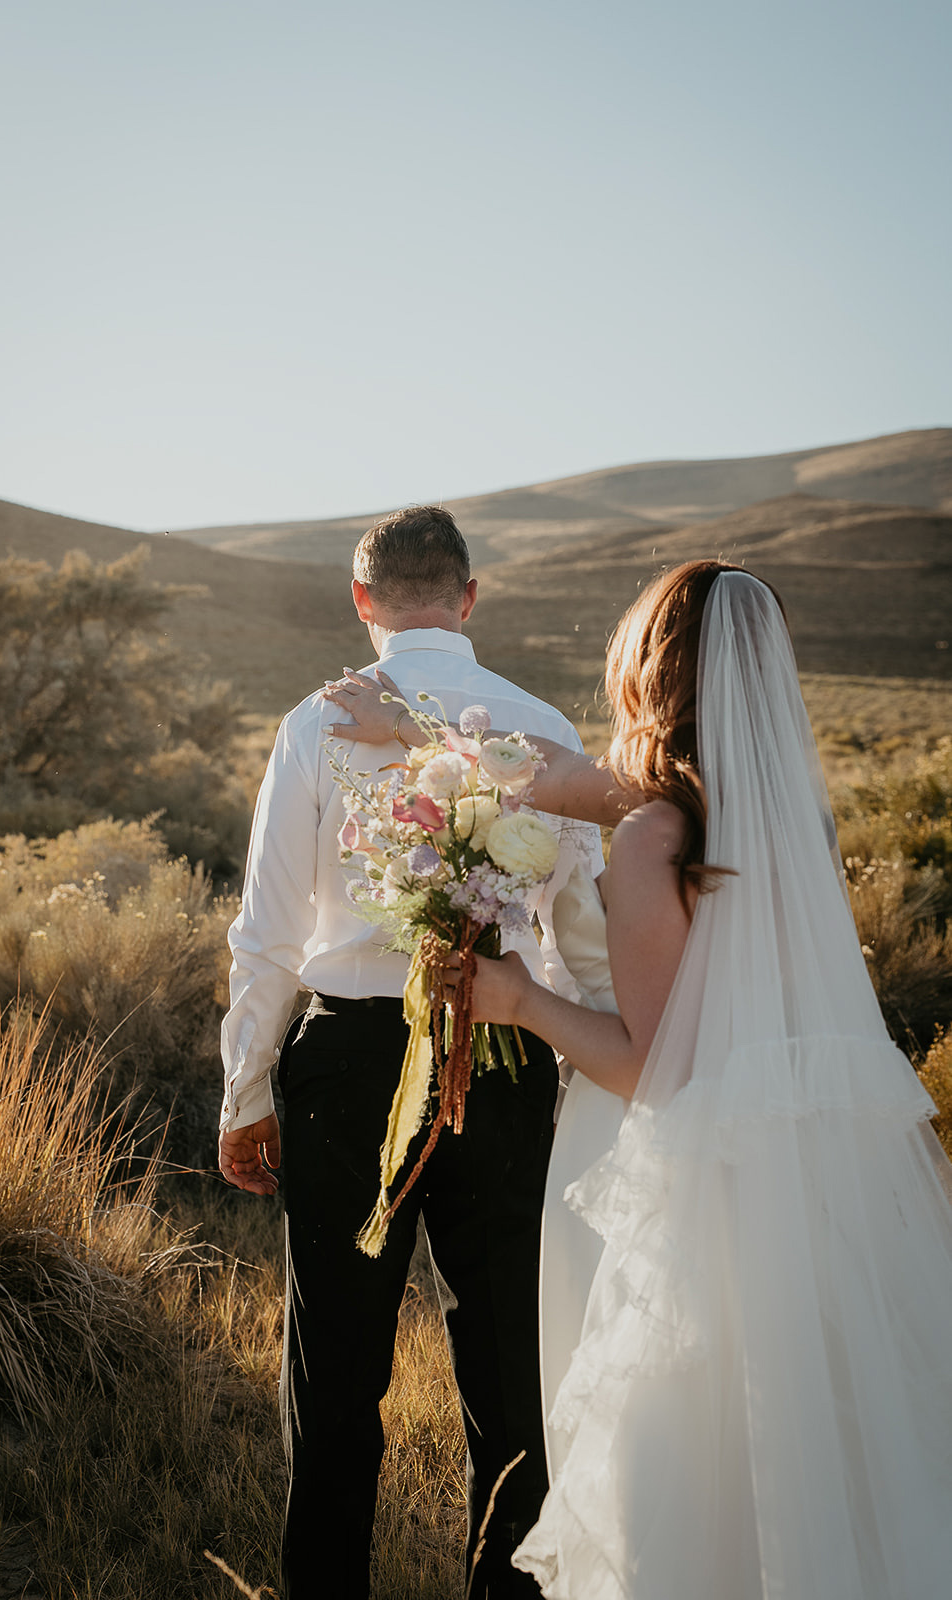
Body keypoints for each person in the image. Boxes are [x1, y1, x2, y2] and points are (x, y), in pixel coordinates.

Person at [334, 559, 952, 1598]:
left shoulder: (648, 840)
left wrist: (518, 999)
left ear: (648, 671)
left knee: (689, 1473)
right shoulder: (775, 822)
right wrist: (412, 729)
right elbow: (540, 768)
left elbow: (658, 1071)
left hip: (689, 1197)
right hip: (804, 1193)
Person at [218, 505, 611, 1600]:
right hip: (508, 1047)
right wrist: (580, 1053)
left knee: (333, 1371)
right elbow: (581, 931)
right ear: (469, 596)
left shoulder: (315, 722)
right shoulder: (537, 720)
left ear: (361, 600)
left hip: (344, 1060)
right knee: (506, 1371)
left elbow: (263, 929)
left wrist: (242, 1089)